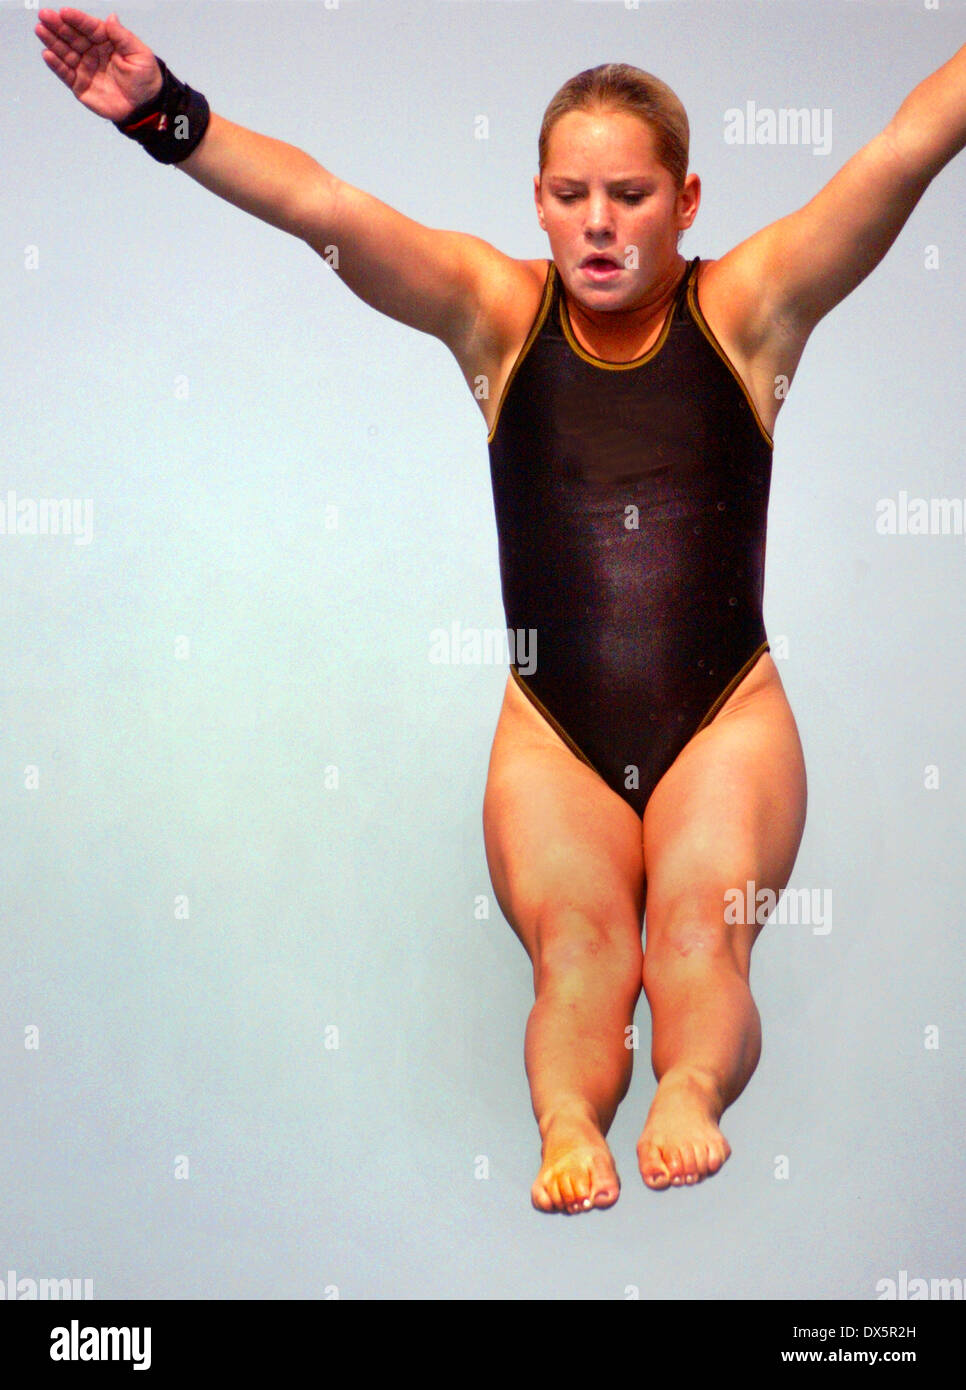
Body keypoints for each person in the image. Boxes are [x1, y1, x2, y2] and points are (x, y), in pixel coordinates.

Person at [35, 8, 965, 1215]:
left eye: (629, 195)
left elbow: (905, 147)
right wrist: (167, 113)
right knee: (577, 950)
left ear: (687, 202)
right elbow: (324, 207)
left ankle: (687, 1085)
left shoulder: (748, 309)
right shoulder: (497, 315)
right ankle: (568, 1119)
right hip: (552, 727)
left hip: (724, 716)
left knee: (699, 932)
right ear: (537, 201)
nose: (597, 222)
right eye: (571, 195)